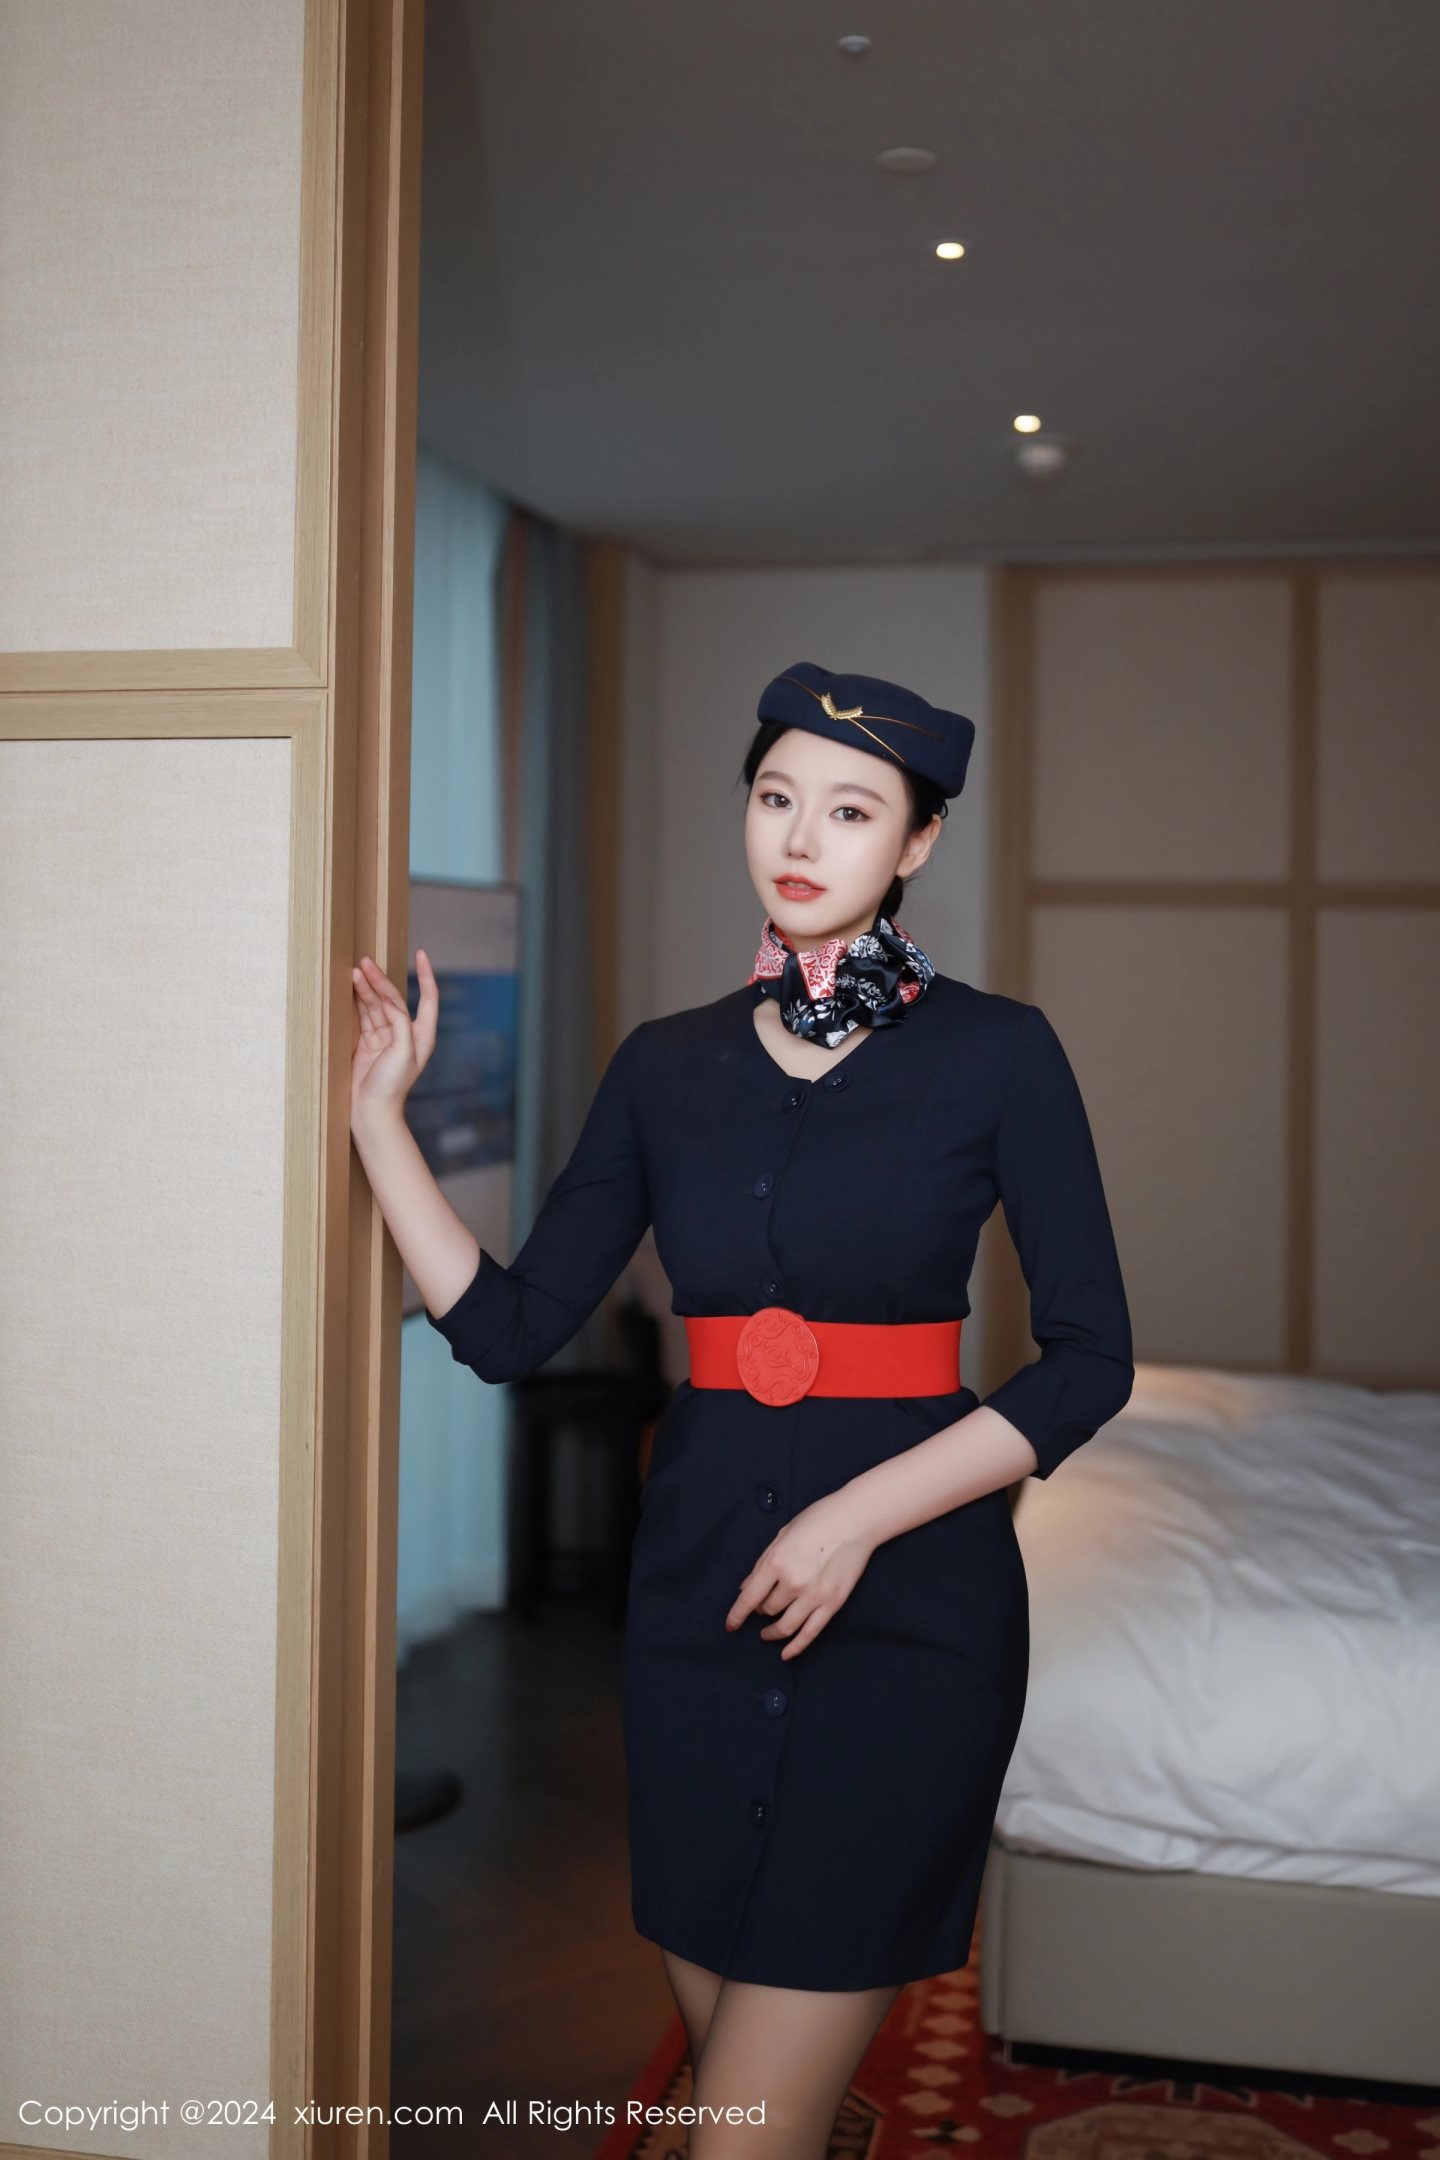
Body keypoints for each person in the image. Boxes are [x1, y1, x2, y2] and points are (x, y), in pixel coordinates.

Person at [349, 659, 1134, 2160]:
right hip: (698, 1610)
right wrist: (382, 1124)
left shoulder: (1000, 1053)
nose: (802, 836)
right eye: (777, 797)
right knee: (745, 2092)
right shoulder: (665, 1067)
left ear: (917, 843)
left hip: (911, 1620)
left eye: (852, 810)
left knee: (735, 2135)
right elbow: (509, 1330)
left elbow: (1091, 1359)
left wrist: (854, 1520)